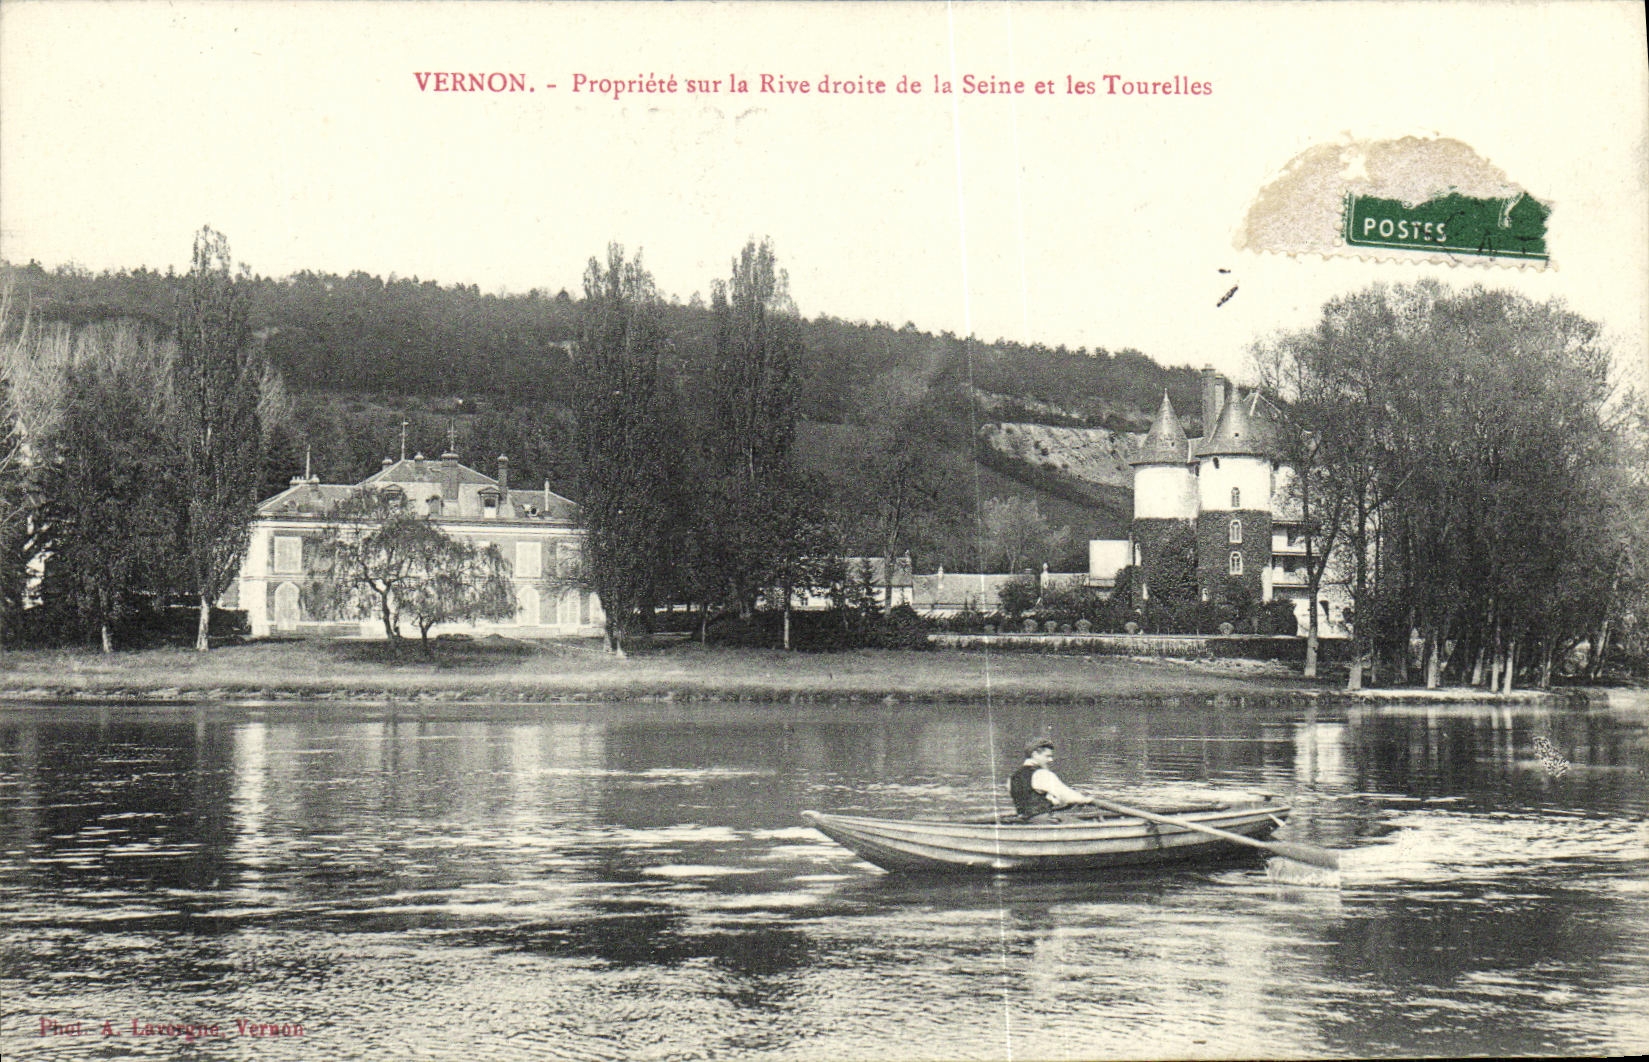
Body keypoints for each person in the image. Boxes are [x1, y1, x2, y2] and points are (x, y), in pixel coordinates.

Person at [1009, 739, 1095, 821]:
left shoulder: (1014, 777)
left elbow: (1030, 799)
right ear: (1035, 754)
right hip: (1044, 820)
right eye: (1047, 756)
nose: (1051, 760)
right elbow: (1068, 796)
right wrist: (1088, 800)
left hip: (1024, 818)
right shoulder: (1042, 774)